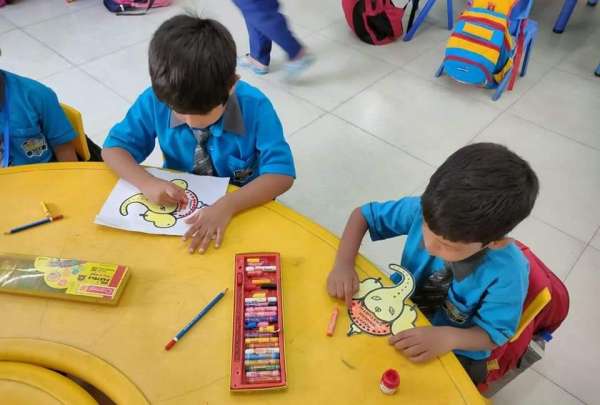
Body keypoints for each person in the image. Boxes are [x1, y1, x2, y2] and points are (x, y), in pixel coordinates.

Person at [326, 143, 539, 384]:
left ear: (495, 243)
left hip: (457, 349)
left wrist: (448, 337)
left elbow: (493, 334)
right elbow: (363, 215)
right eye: (428, 229)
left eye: (448, 246)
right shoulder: (427, 210)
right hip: (398, 315)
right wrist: (343, 263)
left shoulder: (509, 273)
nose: (429, 246)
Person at [102, 15, 295, 254]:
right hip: (183, 209)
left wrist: (228, 205)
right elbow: (113, 149)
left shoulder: (255, 107)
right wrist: (146, 183)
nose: (192, 122)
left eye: (203, 113)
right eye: (181, 112)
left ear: (231, 86)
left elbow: (281, 175)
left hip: (244, 204)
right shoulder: (157, 99)